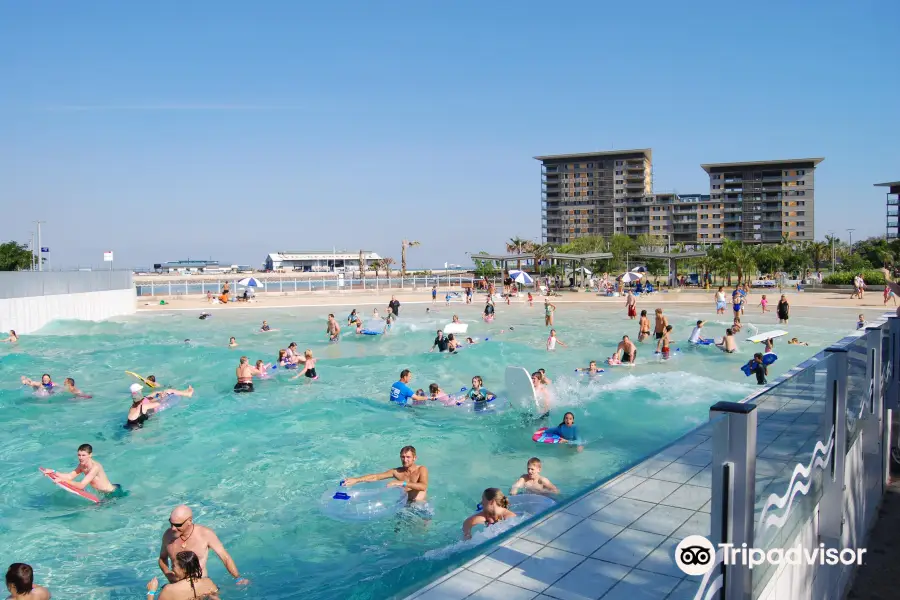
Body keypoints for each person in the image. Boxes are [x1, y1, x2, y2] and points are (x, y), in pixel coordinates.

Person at [158, 505, 248, 584]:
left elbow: (225, 557)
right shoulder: (168, 535)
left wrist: (238, 578)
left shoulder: (205, 534)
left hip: (201, 584)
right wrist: (168, 574)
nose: (173, 528)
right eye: (171, 523)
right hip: (177, 584)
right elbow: (162, 558)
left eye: (178, 525)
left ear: (189, 521)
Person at [343, 445, 428, 502]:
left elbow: (423, 486)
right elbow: (376, 477)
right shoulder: (397, 472)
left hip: (420, 505)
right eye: (403, 457)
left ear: (414, 458)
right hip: (405, 504)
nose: (405, 460)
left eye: (408, 457)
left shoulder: (421, 469)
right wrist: (356, 480)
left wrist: (402, 483)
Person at [47, 443, 123, 498]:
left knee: (95, 509)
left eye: (83, 455)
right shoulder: (81, 465)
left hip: (111, 493)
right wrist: (53, 472)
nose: (80, 458)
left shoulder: (95, 467)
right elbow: (70, 476)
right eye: (79, 455)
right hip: (102, 492)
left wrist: (62, 480)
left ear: (90, 455)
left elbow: (81, 486)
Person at [147, 550, 219, 600]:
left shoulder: (169, 590)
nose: (171, 569)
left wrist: (151, 591)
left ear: (184, 569)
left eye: (173, 566)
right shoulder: (209, 582)